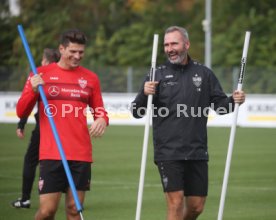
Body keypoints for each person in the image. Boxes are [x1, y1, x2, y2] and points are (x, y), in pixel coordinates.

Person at [131, 26, 246, 220]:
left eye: (174, 43)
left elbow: (221, 107)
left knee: (196, 207)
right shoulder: (155, 75)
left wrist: (234, 100)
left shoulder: (204, 74)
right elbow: (136, 111)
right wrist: (144, 93)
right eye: (166, 45)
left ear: (186, 44)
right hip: (168, 151)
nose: (170, 49)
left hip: (197, 150)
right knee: (175, 203)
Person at [16, 29, 108, 220]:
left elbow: (99, 109)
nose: (77, 56)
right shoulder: (40, 74)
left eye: (81, 52)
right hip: (52, 152)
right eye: (73, 51)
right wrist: (33, 90)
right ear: (61, 48)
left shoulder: (90, 78)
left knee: (74, 210)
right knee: (47, 211)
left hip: (80, 153)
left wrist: (101, 119)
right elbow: (21, 111)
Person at [11, 48, 60, 209]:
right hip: (61, 128)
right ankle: (72, 198)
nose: (41, 64)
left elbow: (29, 102)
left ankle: (25, 199)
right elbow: (28, 102)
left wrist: (21, 124)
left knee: (31, 161)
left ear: (46, 62)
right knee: (63, 159)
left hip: (44, 128)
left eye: (43, 61)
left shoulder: (41, 76)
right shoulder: (58, 76)